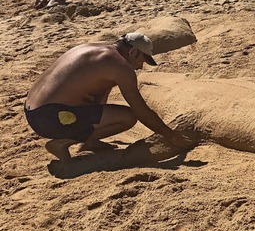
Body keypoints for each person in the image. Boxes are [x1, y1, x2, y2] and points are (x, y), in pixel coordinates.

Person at [24, 33, 189, 161]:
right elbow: (141, 111)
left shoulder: (96, 50)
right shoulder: (121, 67)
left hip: (33, 111)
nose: (140, 67)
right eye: (142, 60)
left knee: (104, 92)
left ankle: (91, 141)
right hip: (52, 118)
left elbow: (98, 96)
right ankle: (61, 143)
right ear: (132, 52)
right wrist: (171, 136)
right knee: (128, 117)